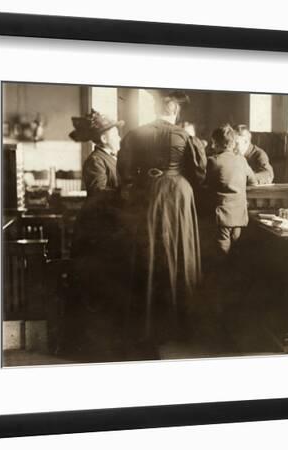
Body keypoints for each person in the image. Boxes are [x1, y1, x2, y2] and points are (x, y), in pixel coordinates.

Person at [117, 91, 207, 351]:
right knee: (178, 252)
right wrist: (175, 176)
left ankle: (146, 324)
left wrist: (143, 179)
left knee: (150, 253)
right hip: (177, 196)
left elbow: (123, 170)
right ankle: (179, 324)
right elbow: (198, 173)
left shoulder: (136, 134)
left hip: (147, 195)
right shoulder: (183, 136)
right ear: (174, 111)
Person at [68, 109, 126, 360]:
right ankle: (94, 349)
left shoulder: (112, 158)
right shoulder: (96, 161)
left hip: (109, 231)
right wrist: (127, 194)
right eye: (115, 133)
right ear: (104, 139)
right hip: (97, 233)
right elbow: (100, 196)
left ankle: (108, 344)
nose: (119, 137)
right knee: (98, 288)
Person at [206, 124, 257, 258]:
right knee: (236, 246)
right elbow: (253, 181)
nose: (212, 146)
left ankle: (223, 273)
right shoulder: (241, 160)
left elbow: (207, 185)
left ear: (219, 144)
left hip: (222, 214)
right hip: (239, 213)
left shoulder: (213, 161)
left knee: (222, 248)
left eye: (214, 143)